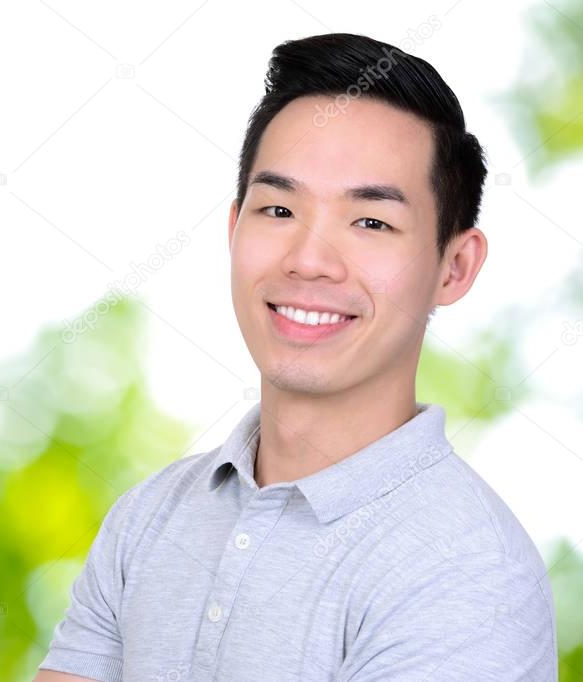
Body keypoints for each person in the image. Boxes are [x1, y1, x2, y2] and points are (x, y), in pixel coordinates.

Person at [34, 32, 557, 681]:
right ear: (233, 231)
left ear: (453, 267)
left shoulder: (467, 569)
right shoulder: (148, 518)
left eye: (370, 222)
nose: (307, 260)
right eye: (277, 209)